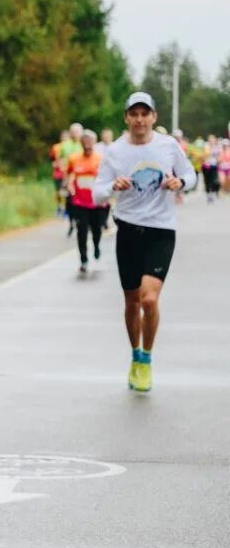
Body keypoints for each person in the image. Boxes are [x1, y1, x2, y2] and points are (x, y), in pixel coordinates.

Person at [92, 91, 196, 393]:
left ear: (153, 117)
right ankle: (135, 355)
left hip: (161, 230)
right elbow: (97, 191)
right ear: (126, 118)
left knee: (149, 299)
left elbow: (190, 175)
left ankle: (146, 359)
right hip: (128, 230)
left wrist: (180, 183)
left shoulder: (167, 146)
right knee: (131, 302)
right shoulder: (115, 151)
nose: (139, 119)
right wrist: (112, 185)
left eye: (144, 113)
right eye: (134, 114)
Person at [65, 129, 108, 274]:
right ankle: (83, 259)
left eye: (90, 142)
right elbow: (69, 176)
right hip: (80, 203)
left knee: (97, 230)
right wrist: (70, 187)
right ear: (81, 143)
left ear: (94, 143)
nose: (87, 144)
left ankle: (96, 245)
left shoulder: (101, 159)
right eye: (85, 142)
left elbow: (106, 178)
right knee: (81, 231)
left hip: (97, 203)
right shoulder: (74, 159)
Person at [57, 123, 84, 235]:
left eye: (77, 131)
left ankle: (81, 221)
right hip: (68, 177)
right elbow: (60, 159)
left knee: (80, 201)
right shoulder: (64, 145)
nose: (74, 134)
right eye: (72, 131)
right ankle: (71, 222)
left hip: (81, 178)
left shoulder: (84, 144)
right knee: (69, 201)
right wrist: (64, 172)